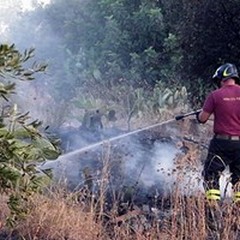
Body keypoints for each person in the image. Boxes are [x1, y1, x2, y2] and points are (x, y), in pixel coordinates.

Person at [197, 63, 240, 203]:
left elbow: (203, 119)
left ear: (222, 78)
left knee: (211, 174)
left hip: (221, 143)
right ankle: (236, 213)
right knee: (239, 178)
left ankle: (213, 210)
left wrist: (199, 114)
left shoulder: (215, 95)